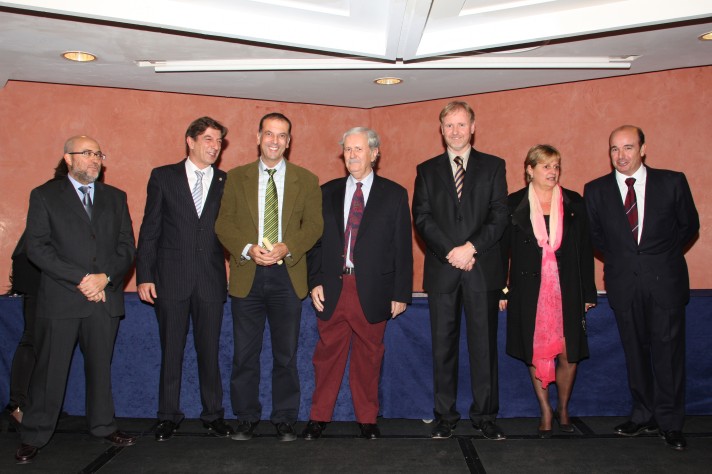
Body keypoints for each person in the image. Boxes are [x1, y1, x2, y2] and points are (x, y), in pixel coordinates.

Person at [15, 136, 136, 463]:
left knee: (100, 369)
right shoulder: (44, 195)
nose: (95, 159)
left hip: (104, 298)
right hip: (62, 298)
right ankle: (35, 434)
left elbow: (127, 247)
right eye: (87, 153)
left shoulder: (115, 197)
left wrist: (104, 278)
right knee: (49, 371)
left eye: (98, 154)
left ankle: (103, 425)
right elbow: (37, 248)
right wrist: (82, 279)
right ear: (68, 158)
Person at [584, 125, 699, 450]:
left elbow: (689, 225)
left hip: (665, 283)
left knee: (668, 355)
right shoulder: (596, 190)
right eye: (614, 149)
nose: (621, 155)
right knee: (634, 353)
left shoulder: (672, 182)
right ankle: (643, 413)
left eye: (628, 147)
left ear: (643, 149)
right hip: (623, 283)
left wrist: (660, 256)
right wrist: (625, 258)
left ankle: (670, 422)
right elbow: (595, 236)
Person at [215, 112, 323, 442]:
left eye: (282, 135)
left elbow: (314, 226)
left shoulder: (307, 179)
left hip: (287, 277)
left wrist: (288, 247)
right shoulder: (236, 177)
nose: (275, 140)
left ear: (289, 141)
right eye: (269, 134)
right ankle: (246, 417)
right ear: (258, 137)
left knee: (286, 355)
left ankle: (285, 418)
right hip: (247, 276)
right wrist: (248, 248)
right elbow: (223, 224)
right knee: (244, 355)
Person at [303, 127, 413, 440]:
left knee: (369, 357)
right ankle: (318, 417)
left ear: (374, 154)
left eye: (358, 149)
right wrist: (314, 281)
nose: (352, 155)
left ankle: (367, 419)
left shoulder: (394, 194)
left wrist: (400, 293)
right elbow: (315, 243)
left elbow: (402, 248)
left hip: (373, 290)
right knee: (326, 357)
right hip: (333, 288)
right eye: (348, 149)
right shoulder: (326, 191)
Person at [412, 101, 509, 440]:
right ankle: (445, 416)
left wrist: (471, 248)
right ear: (441, 130)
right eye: (449, 125)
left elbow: (499, 215)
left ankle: (485, 416)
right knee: (443, 348)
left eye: (461, 124)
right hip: (443, 270)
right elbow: (421, 217)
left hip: (482, 269)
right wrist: (451, 252)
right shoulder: (426, 170)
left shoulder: (494, 166)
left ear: (473, 127)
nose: (455, 131)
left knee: (484, 348)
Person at [136, 117, 233, 441]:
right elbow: (150, 229)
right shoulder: (163, 176)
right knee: (171, 351)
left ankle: (213, 415)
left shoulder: (226, 181)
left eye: (219, 141)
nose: (215, 146)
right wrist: (144, 275)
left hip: (210, 280)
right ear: (190, 141)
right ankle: (167, 416)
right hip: (170, 280)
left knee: (210, 351)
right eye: (208, 139)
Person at [499, 145, 597, 438]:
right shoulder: (513, 204)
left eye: (556, 166)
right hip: (528, 291)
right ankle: (545, 410)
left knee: (570, 352)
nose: (552, 172)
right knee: (536, 350)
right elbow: (502, 252)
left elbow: (586, 251)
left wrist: (588, 293)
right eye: (546, 166)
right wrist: (502, 290)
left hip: (568, 289)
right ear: (529, 170)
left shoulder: (574, 202)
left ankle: (563, 408)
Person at [5, 160, 69, 426]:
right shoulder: (57, 192)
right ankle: (18, 404)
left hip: (40, 271)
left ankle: (34, 405)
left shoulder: (55, 190)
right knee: (34, 340)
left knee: (43, 342)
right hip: (40, 273)